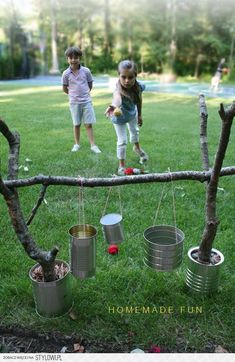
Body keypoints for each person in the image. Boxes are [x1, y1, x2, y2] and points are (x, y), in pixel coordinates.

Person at [105, 60, 148, 175]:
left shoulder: (138, 87)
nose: (127, 81)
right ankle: (121, 166)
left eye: (130, 77)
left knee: (135, 132)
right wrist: (114, 106)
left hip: (132, 115)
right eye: (123, 77)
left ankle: (137, 148)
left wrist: (139, 114)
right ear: (119, 76)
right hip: (119, 119)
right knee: (122, 140)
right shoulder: (118, 88)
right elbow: (117, 99)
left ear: (135, 76)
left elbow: (139, 100)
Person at [61, 46, 101, 153]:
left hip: (86, 101)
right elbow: (65, 88)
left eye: (76, 57)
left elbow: (90, 85)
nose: (73, 60)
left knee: (88, 124)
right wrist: (73, 95)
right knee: (76, 124)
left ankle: (93, 145)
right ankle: (77, 144)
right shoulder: (65, 74)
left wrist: (84, 94)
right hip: (74, 103)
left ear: (80, 58)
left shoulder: (86, 71)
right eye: (71, 58)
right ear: (67, 59)